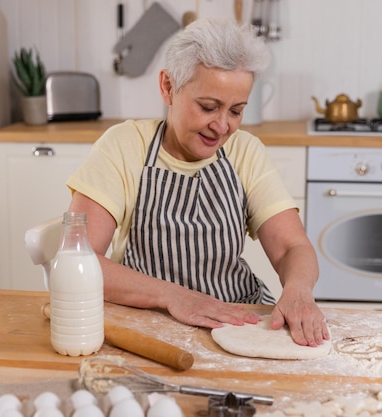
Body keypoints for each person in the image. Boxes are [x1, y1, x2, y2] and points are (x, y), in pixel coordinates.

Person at [67, 18, 329, 347]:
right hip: (148, 323)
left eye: (236, 111)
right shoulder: (124, 146)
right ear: (168, 87)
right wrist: (173, 297)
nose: (221, 127)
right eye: (208, 107)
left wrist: (298, 291)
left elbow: (293, 246)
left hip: (238, 319)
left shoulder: (245, 151)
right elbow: (79, 260)